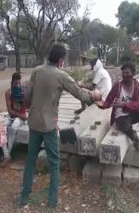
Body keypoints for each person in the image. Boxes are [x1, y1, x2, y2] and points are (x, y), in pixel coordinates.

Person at [20, 43, 102, 208]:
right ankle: (52, 201)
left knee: (30, 161)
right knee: (54, 163)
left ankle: (24, 197)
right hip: (49, 126)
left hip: (34, 123)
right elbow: (80, 94)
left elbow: (26, 97)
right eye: (63, 59)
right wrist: (94, 95)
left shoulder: (36, 71)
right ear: (60, 60)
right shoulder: (61, 75)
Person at [2, 72, 27, 165]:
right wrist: (23, 116)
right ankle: (7, 155)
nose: (18, 85)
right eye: (16, 83)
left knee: (12, 128)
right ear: (12, 83)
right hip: (14, 116)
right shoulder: (8, 92)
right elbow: (9, 111)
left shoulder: (23, 92)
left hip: (20, 118)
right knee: (2, 129)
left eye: (19, 83)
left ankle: (6, 155)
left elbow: (26, 108)